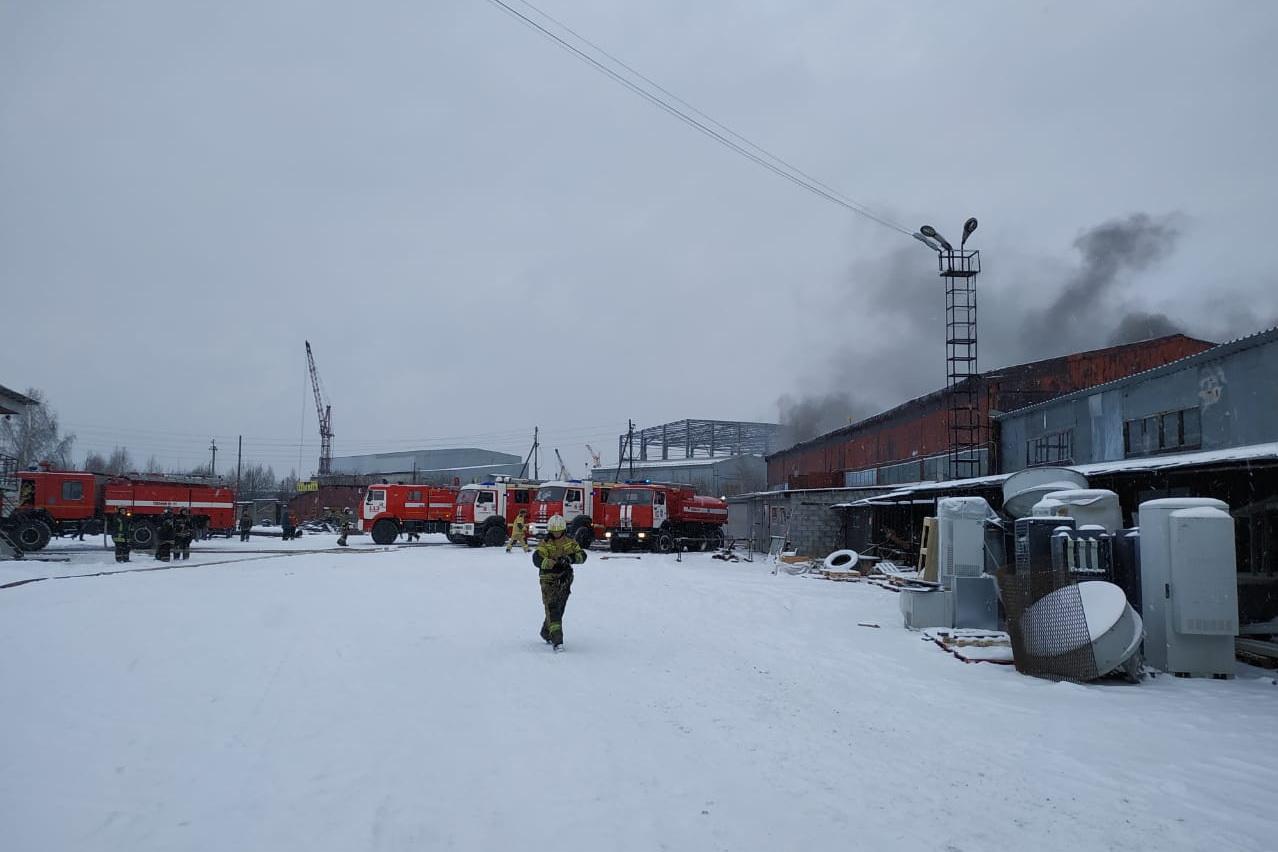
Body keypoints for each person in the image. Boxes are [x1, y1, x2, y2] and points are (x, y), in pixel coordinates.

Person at [531, 514, 587, 650]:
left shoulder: (570, 542)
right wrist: (548, 563)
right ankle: (558, 641)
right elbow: (536, 558)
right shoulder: (546, 543)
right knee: (553, 607)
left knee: (559, 608)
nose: (556, 533)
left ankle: (546, 631)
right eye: (554, 531)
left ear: (563, 530)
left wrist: (570, 558)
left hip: (564, 580)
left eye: (559, 531)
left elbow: (582, 556)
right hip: (548, 580)